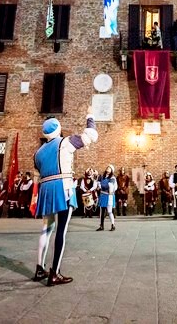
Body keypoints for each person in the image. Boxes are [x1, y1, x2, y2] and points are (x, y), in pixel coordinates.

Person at [33, 109, 98, 286]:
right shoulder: (65, 142)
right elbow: (91, 134)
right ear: (59, 129)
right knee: (61, 229)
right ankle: (55, 273)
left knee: (46, 229)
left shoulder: (37, 153)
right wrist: (89, 115)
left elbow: (40, 171)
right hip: (63, 188)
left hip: (46, 190)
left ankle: (39, 268)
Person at [97, 165, 117, 231]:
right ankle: (101, 226)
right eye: (107, 168)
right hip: (103, 195)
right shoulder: (102, 177)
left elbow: (111, 186)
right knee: (102, 212)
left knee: (109, 211)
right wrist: (99, 185)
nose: (108, 169)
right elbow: (98, 183)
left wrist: (110, 189)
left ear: (112, 171)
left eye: (109, 168)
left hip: (109, 196)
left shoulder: (112, 178)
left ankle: (113, 225)